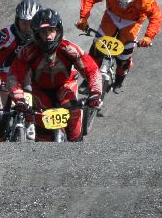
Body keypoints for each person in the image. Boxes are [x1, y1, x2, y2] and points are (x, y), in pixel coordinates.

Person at [8, 8, 101, 142]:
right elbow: (14, 76)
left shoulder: (69, 48)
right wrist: (19, 99)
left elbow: (92, 70)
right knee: (43, 138)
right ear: (36, 34)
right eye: (43, 32)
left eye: (51, 30)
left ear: (58, 31)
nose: (48, 36)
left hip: (66, 86)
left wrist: (95, 93)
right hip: (40, 90)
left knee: (74, 120)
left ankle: (77, 149)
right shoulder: (27, 52)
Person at [75, 0, 162, 93]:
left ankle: (119, 79)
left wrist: (148, 36)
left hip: (131, 23)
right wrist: (83, 18)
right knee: (96, 51)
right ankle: (89, 79)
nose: (123, 0)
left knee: (123, 58)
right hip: (111, 17)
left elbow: (156, 16)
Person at [0, 0, 40, 141]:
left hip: (29, 78)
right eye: (24, 23)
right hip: (3, 77)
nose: (27, 27)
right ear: (17, 21)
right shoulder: (5, 34)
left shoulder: (44, 36)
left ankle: (32, 123)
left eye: (31, 23)